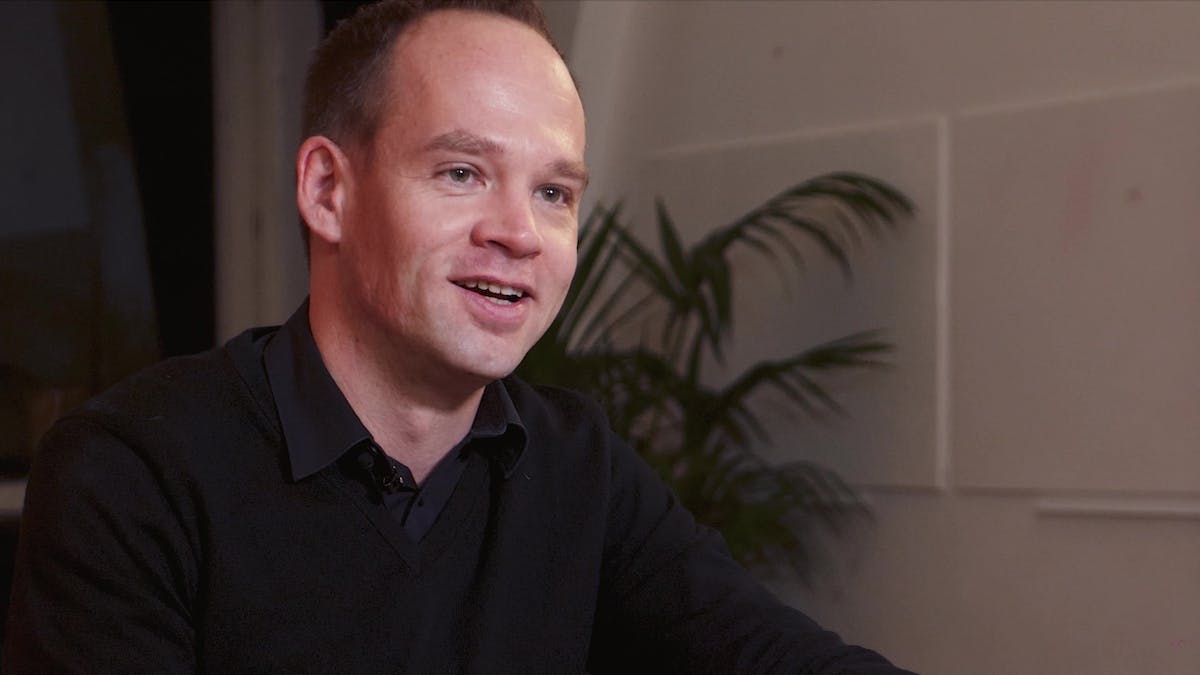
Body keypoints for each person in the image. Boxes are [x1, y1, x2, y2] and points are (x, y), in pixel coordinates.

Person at [4, 1, 915, 672]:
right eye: (463, 171)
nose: (519, 231)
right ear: (329, 191)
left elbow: (773, 655)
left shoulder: (578, 466)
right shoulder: (130, 473)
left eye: (554, 192)